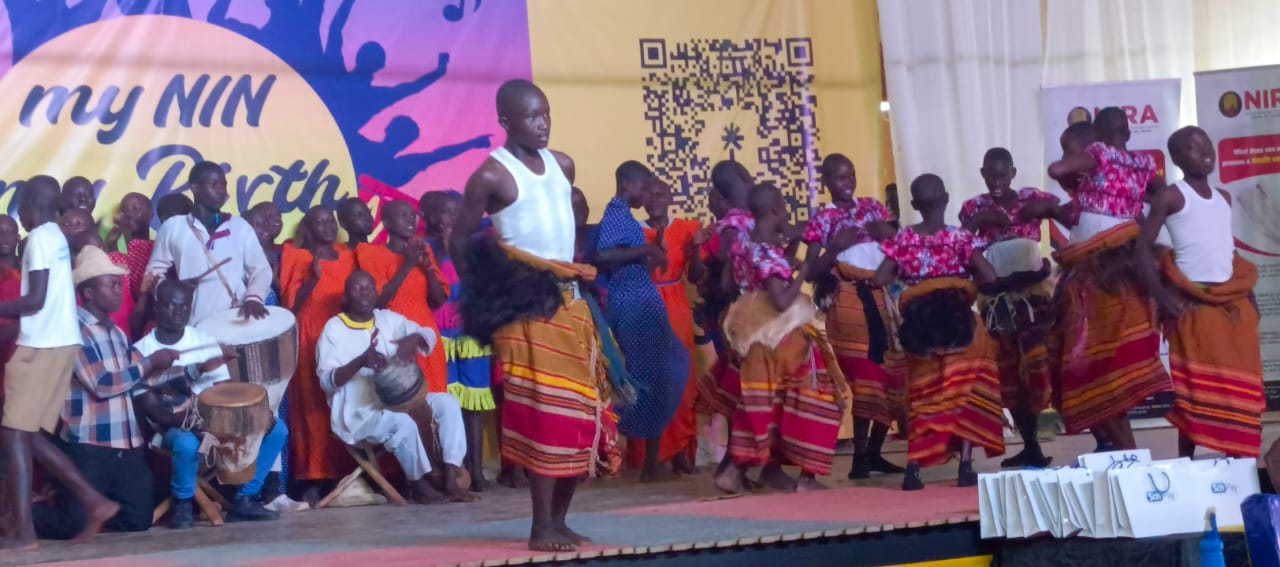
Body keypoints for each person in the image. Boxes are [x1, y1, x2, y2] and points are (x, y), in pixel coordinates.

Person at [452, 79, 621, 552]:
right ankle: (540, 526)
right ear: (505, 121)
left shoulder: (562, 164)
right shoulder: (491, 175)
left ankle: (560, 521)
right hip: (526, 309)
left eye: (546, 114)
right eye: (532, 116)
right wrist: (490, 295)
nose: (543, 124)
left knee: (581, 412)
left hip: (570, 303)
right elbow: (460, 239)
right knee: (545, 415)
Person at [30, 247, 196, 540]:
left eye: (119, 285)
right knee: (71, 524)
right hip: (88, 443)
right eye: (112, 285)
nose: (119, 291)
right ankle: (18, 512)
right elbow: (102, 384)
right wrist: (149, 363)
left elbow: (140, 378)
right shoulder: (72, 330)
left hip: (125, 443)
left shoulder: (117, 333)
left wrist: (195, 370)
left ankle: (81, 507)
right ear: (88, 292)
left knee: (138, 519)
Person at [1, 177, 119, 550]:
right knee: (27, 433)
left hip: (41, 344)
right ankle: (94, 501)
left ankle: (24, 533)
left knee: (12, 433)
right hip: (62, 342)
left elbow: (34, 300)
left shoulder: (38, 238)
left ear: (30, 205)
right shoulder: (55, 237)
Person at [1046, 107, 1170, 451]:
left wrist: (1083, 160)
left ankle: (1125, 449)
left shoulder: (1099, 155)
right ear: (1128, 133)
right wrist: (1133, 199)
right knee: (1107, 347)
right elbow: (1162, 195)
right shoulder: (1143, 164)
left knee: (1090, 349)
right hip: (1118, 258)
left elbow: (1055, 169)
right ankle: (1114, 443)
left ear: (1097, 136)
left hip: (1099, 266)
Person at [1136, 126, 1263, 458]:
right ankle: (1186, 462)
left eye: (1207, 143)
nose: (1205, 150)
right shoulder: (1172, 196)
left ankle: (1238, 459)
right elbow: (1141, 250)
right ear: (1177, 158)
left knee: (1237, 384)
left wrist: (1247, 294)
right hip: (1194, 303)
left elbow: (1226, 250)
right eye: (1193, 147)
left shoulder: (1223, 198)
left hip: (1230, 303)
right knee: (1195, 389)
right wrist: (1161, 296)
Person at [873, 174, 1003, 491]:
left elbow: (879, 279)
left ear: (914, 204)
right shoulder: (960, 238)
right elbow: (989, 275)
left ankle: (913, 470)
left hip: (921, 329)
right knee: (965, 392)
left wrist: (914, 279)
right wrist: (960, 280)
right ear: (946, 199)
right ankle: (966, 466)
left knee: (922, 396)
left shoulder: (904, 239)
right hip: (961, 325)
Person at [715, 182, 844, 494]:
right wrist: (804, 271)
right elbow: (782, 301)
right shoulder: (767, 255)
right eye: (784, 208)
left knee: (770, 403)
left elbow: (727, 284)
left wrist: (787, 259)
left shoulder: (743, 245)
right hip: (780, 333)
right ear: (775, 211)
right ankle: (806, 477)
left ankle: (755, 471)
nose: (786, 215)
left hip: (752, 331)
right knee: (817, 396)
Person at [133, 279, 284, 526]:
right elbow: (152, 410)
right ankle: (182, 504)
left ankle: (245, 498)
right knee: (186, 442)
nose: (179, 312)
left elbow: (222, 391)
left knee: (277, 429)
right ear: (157, 307)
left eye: (184, 306)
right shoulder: (142, 351)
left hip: (213, 422)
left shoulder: (203, 341)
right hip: (170, 427)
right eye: (171, 305)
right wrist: (193, 424)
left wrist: (238, 419)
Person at [317, 271, 474, 502]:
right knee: (402, 423)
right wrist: (359, 362)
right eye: (357, 288)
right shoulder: (334, 329)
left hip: (400, 401)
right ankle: (419, 484)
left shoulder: (388, 319)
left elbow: (428, 334)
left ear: (377, 293)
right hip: (359, 411)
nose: (365, 292)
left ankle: (452, 473)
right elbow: (326, 380)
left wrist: (414, 338)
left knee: (448, 403)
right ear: (346, 297)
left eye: (370, 287)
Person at [959, 148, 1069, 468]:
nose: (997, 182)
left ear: (1013, 173)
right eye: (991, 175)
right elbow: (959, 246)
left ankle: (1055, 428)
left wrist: (1041, 209)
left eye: (1003, 175)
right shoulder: (973, 207)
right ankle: (1030, 444)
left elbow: (1063, 211)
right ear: (982, 174)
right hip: (998, 302)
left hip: (1034, 299)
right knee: (1009, 371)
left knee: (1039, 364)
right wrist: (978, 222)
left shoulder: (1030, 197)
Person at [801, 153, 904, 480]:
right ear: (827, 182)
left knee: (893, 375)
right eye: (840, 178)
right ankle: (859, 457)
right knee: (865, 375)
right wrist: (835, 248)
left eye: (852, 175)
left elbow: (898, 244)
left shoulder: (873, 207)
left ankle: (874, 452)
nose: (848, 183)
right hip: (848, 299)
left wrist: (886, 232)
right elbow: (810, 272)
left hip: (883, 296)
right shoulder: (822, 219)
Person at [593, 162, 691, 482]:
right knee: (654, 374)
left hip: (640, 299)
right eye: (644, 188)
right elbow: (603, 256)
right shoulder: (616, 212)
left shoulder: (623, 215)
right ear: (627, 184)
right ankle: (643, 457)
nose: (647, 195)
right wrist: (647, 248)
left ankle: (650, 460)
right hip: (632, 304)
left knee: (662, 371)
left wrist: (650, 254)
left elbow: (626, 261)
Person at [280, 207, 356, 497]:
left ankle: (344, 474)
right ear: (308, 227)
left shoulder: (347, 255)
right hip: (309, 335)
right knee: (311, 406)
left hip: (343, 336)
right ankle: (313, 475)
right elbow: (290, 307)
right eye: (319, 222)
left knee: (341, 402)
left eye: (330, 221)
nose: (327, 226)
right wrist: (312, 280)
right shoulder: (296, 255)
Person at [421, 190, 493, 491]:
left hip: (470, 329)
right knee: (447, 404)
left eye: (458, 212)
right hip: (441, 331)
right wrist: (445, 246)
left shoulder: (473, 245)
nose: (454, 217)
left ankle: (476, 471)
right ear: (433, 218)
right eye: (448, 212)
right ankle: (454, 469)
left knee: (474, 403)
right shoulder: (425, 247)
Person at [146, 161, 271, 325]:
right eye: (214, 184)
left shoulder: (240, 227)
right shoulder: (173, 227)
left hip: (236, 320)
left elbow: (261, 269)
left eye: (224, 185)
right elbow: (152, 273)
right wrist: (172, 289)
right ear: (195, 188)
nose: (221, 190)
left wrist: (254, 298)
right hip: (193, 324)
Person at [640, 178, 706, 475]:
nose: (655, 200)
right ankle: (657, 457)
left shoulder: (686, 229)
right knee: (655, 380)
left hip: (677, 306)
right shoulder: (636, 233)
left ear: (670, 198)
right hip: (648, 306)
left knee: (683, 379)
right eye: (650, 195)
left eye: (661, 194)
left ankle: (681, 451)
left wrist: (696, 250)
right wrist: (654, 251)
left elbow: (695, 277)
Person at [67, 231, 141, 341]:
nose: (118, 290)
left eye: (100, 247)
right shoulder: (74, 333)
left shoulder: (118, 334)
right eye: (92, 250)